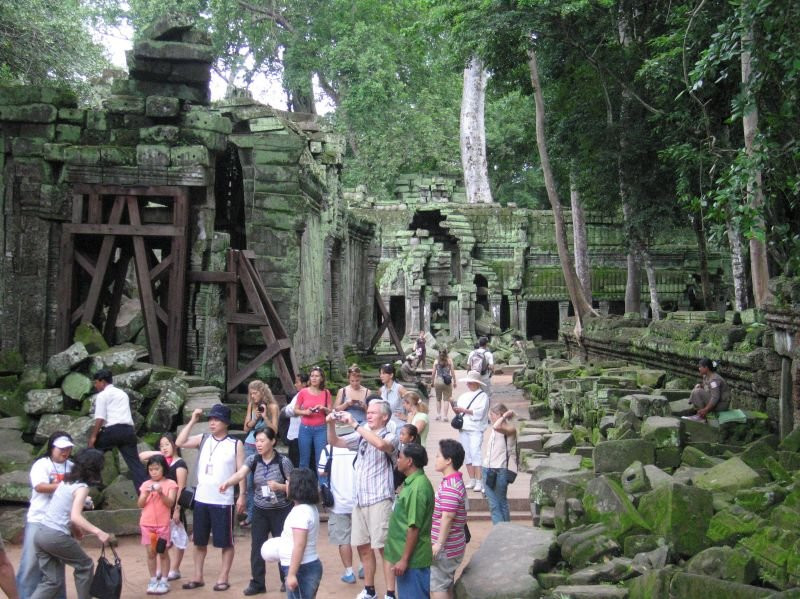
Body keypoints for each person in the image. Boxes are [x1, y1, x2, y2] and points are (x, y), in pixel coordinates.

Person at [326, 401, 399, 599]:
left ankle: (391, 593)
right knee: (364, 548)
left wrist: (355, 425)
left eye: (374, 412)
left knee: (384, 548)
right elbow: (336, 442)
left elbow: (381, 445)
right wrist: (330, 423)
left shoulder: (391, 435)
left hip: (380, 499)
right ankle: (369, 589)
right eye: (368, 412)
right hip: (359, 501)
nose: (369, 415)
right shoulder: (362, 433)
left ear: (385, 417)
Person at [176, 404, 245, 591]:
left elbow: (241, 471)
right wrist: (192, 420)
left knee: (225, 541)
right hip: (202, 498)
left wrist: (242, 496)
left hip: (223, 500)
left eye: (217, 419)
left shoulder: (235, 444)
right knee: (199, 540)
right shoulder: (204, 438)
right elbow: (180, 442)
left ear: (226, 423)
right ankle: (198, 576)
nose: (212, 423)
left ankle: (223, 576)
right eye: (211, 419)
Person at [219, 426, 293, 595]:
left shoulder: (284, 462)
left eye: (262, 440)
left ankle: (286, 579)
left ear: (272, 442)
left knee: (283, 545)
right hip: (260, 510)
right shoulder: (253, 460)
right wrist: (227, 483)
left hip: (281, 510)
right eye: (257, 440)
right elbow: (240, 474)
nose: (258, 444)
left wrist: (280, 487)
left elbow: (293, 487)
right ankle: (258, 582)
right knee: (257, 546)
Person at [30, 449, 111, 599]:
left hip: (41, 533)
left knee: (52, 581)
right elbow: (75, 516)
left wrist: (76, 530)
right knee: (85, 566)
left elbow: (65, 510)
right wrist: (98, 532)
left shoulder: (66, 481)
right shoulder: (81, 487)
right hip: (55, 536)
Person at [17, 432, 74, 599]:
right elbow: (40, 487)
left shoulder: (71, 467)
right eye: (61, 448)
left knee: (57, 563)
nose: (65, 452)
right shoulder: (41, 465)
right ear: (52, 448)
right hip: (38, 519)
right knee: (30, 562)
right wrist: (65, 486)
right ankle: (24, 595)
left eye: (68, 448)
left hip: (60, 521)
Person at [385, 443, 434, 599]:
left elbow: (414, 528)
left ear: (410, 461)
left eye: (400, 457)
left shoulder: (417, 488)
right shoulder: (412, 483)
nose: (397, 460)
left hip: (413, 560)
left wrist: (404, 560)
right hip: (406, 557)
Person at [87, 368, 148, 492]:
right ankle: (145, 492)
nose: (95, 385)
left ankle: (92, 482)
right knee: (135, 463)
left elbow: (100, 418)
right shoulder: (122, 393)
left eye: (96, 382)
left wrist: (93, 437)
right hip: (128, 431)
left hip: (113, 431)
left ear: (102, 382)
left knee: (92, 453)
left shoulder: (103, 395)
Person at [139, 433, 188, 581]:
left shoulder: (180, 464)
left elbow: (181, 488)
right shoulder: (160, 462)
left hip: (174, 503)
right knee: (161, 543)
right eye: (161, 445)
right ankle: (161, 570)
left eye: (167, 444)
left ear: (175, 444)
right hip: (158, 510)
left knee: (177, 538)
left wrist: (177, 509)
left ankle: (175, 568)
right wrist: (161, 453)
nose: (164, 447)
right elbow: (141, 455)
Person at [317, 441, 362, 584]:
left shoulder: (328, 449)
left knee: (343, 539)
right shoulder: (359, 446)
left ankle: (349, 572)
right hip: (359, 500)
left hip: (338, 502)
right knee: (362, 537)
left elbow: (321, 471)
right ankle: (363, 566)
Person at [431, 439, 467, 599]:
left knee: (437, 587)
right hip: (452, 544)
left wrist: (439, 544)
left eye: (438, 456)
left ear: (448, 460)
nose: (435, 459)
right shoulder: (453, 481)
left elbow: (448, 516)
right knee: (445, 583)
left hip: (446, 547)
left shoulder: (450, 486)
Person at [137, 454, 179, 595]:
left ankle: (164, 580)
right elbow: (140, 504)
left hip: (162, 524)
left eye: (156, 469)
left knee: (162, 552)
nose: (153, 472)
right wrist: (146, 494)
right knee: (150, 553)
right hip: (147, 523)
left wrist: (161, 493)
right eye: (151, 469)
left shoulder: (171, 484)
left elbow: (170, 503)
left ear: (163, 469)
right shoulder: (145, 484)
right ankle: (153, 579)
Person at [280, 468, 323, 599]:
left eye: (288, 482)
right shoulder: (308, 508)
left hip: (301, 569)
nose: (286, 485)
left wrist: (292, 574)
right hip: (305, 567)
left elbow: (299, 545)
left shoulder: (300, 513)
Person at [242, 380, 280, 527]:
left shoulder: (273, 407)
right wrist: (255, 418)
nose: (253, 396)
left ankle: (270, 512)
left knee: (266, 479)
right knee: (250, 482)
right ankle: (252, 515)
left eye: (255, 393)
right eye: (251, 393)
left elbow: (275, 431)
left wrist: (265, 417)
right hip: (250, 444)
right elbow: (246, 428)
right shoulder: (252, 405)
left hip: (266, 446)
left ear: (262, 392)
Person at [452, 370, 489, 493]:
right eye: (468, 383)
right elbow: (461, 411)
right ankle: (472, 479)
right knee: (467, 454)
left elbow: (480, 412)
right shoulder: (464, 396)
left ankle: (479, 480)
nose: (469, 385)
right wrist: (458, 410)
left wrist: (465, 410)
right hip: (464, 427)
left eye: (471, 383)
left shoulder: (483, 396)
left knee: (475, 452)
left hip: (475, 428)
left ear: (477, 383)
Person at [482, 404, 517, 524]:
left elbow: (497, 426)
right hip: (487, 468)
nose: (490, 417)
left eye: (492, 415)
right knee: (493, 503)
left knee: (500, 502)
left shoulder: (509, 429)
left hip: (500, 470)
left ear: (500, 415)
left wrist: (505, 416)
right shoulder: (495, 427)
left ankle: (503, 530)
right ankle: (501, 529)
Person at [295, 366, 331, 475]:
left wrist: (323, 408)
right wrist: (305, 412)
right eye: (312, 376)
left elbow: (330, 411)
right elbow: (295, 410)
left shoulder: (326, 393)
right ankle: (303, 486)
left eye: (317, 376)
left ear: (321, 378)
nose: (314, 378)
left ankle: (322, 487)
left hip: (321, 428)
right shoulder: (303, 392)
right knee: (304, 460)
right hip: (305, 428)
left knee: (321, 459)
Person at [283, 373, 309, 467]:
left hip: (299, 434)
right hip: (295, 433)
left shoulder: (303, 394)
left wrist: (295, 410)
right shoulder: (298, 395)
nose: (295, 384)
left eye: (297, 382)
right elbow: (288, 410)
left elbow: (289, 410)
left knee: (296, 462)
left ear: (304, 383)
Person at [378, 363, 409, 429]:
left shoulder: (400, 389)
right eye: (380, 373)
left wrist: (407, 417)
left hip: (398, 424)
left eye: (383, 373)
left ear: (391, 375)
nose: (381, 376)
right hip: (384, 424)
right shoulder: (381, 390)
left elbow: (415, 404)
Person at [432, 349, 456, 422]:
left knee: (438, 399)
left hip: (438, 381)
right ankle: (445, 416)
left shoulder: (436, 361)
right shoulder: (449, 361)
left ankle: (438, 414)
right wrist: (455, 381)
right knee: (446, 399)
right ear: (447, 353)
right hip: (447, 382)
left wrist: (432, 382)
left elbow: (433, 373)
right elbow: (452, 372)